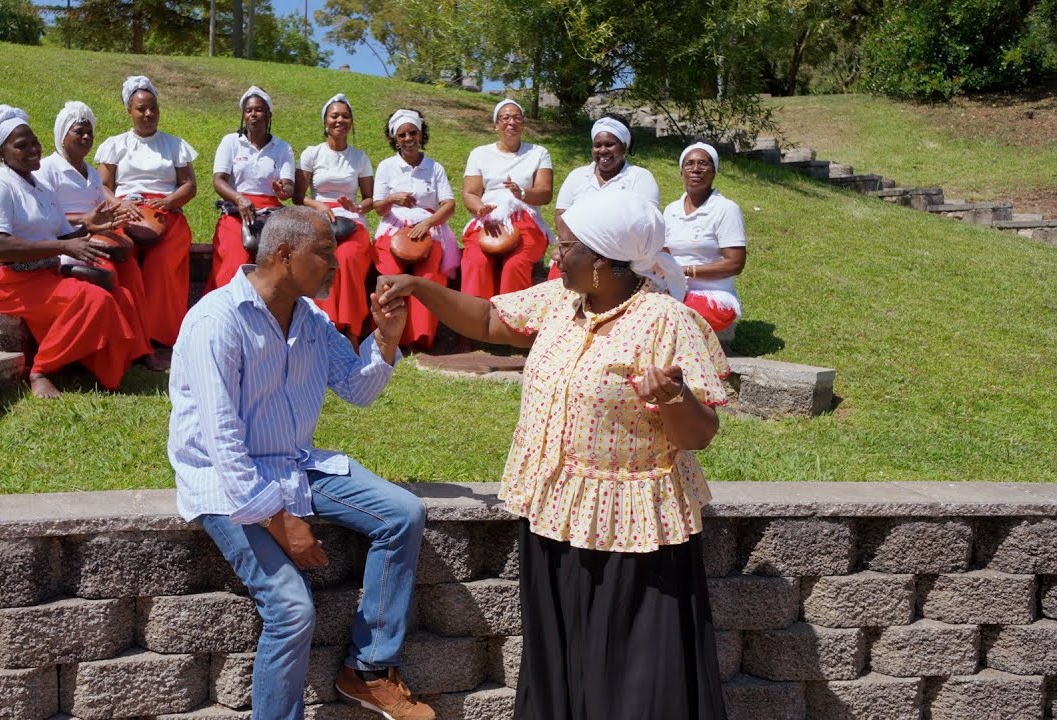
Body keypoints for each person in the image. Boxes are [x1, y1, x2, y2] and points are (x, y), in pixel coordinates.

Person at [378, 188, 730, 720]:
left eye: (566, 246)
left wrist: (674, 398)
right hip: (555, 511)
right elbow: (489, 320)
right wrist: (420, 287)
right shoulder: (561, 302)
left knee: (627, 665)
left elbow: (700, 434)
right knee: (559, 652)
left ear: (604, 261)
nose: (554, 256)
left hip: (631, 525)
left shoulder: (665, 321)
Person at [168, 206, 435, 720]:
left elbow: (357, 389)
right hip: (225, 481)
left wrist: (386, 338)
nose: (335, 265)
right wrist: (278, 519)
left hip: (293, 463)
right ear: (285, 254)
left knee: (403, 514)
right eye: (325, 254)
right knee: (292, 610)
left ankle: (369, 669)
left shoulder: (310, 319)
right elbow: (221, 439)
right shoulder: (215, 320)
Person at [0, 105, 144, 398]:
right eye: (21, 145)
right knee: (92, 299)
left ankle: (94, 366)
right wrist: (64, 246)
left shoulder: (40, 185)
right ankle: (41, 370)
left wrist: (88, 227)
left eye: (34, 142)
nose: (33, 149)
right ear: (1, 152)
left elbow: (63, 235)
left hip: (44, 274)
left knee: (120, 294)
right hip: (7, 282)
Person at [37, 100, 161, 371]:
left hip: (96, 238)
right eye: (78, 132)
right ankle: (115, 352)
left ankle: (142, 347)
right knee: (109, 271)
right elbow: (45, 218)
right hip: (68, 243)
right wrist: (85, 222)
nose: (85, 137)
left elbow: (100, 211)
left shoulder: (92, 174)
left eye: (89, 132)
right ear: (62, 135)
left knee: (132, 271)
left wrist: (114, 219)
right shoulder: (47, 170)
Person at [95, 75, 199, 349]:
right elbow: (102, 186)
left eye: (153, 108)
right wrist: (120, 204)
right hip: (125, 212)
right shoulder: (116, 144)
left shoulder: (174, 145)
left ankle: (160, 336)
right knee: (122, 259)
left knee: (162, 264)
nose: (148, 114)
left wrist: (169, 200)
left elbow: (189, 185)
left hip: (165, 213)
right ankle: (124, 334)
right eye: (141, 109)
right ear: (129, 111)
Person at [372, 108, 457, 351]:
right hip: (393, 230)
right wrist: (393, 198)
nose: (408, 138)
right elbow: (379, 208)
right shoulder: (387, 166)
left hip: (428, 229)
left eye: (412, 133)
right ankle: (393, 335)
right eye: (402, 135)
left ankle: (422, 337)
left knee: (429, 277)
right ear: (395, 139)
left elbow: (449, 205)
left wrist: (427, 224)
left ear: (420, 134)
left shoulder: (434, 167)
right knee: (390, 275)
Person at [294, 93, 375, 348]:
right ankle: (321, 324)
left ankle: (352, 329)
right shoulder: (312, 154)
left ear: (351, 122)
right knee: (320, 258)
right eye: (334, 116)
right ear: (325, 121)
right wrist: (318, 205)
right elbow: (298, 196)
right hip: (318, 219)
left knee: (348, 258)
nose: (340, 120)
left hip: (350, 220)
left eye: (345, 116)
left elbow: (370, 199)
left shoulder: (359, 158)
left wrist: (358, 207)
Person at [459, 98, 554, 300]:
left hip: (525, 220)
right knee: (476, 262)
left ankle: (510, 318)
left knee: (515, 264)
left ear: (523, 124)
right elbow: (470, 193)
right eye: (506, 118)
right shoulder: (479, 154)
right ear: (496, 124)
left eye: (517, 118)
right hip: (488, 219)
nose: (512, 122)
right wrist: (480, 208)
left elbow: (545, 192)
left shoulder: (538, 153)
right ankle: (474, 316)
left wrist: (522, 194)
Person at [205, 86, 295, 292]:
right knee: (235, 259)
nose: (253, 114)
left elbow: (289, 186)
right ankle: (228, 305)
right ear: (244, 115)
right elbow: (218, 180)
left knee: (278, 263)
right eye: (249, 110)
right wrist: (239, 199)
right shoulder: (231, 142)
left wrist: (283, 189)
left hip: (271, 216)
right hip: (237, 212)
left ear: (269, 115)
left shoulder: (282, 148)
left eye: (259, 110)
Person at [550, 116, 660, 280]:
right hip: (575, 253)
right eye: (597, 145)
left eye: (609, 144)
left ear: (624, 147)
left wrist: (603, 250)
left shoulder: (640, 178)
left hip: (621, 260)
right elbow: (561, 215)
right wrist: (579, 248)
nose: (602, 150)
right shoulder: (577, 176)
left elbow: (646, 224)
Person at [663, 142, 747, 333]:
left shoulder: (725, 209)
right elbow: (664, 251)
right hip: (674, 289)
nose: (696, 169)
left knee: (676, 318)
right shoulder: (671, 210)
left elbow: (735, 264)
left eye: (703, 163)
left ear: (714, 171)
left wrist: (685, 270)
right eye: (689, 164)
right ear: (681, 172)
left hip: (712, 294)